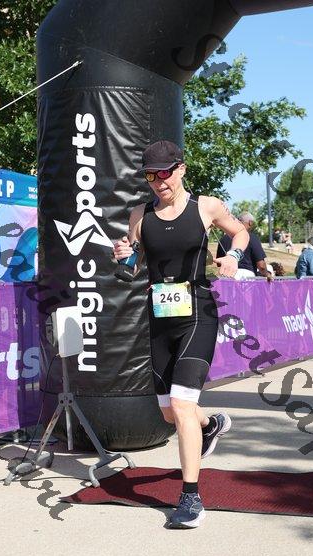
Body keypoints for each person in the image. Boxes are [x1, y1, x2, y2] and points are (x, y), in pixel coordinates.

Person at [113, 140, 249, 529]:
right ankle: (211, 425)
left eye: (165, 173)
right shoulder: (139, 214)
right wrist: (122, 257)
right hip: (160, 319)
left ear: (181, 169)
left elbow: (239, 232)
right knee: (169, 412)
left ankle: (190, 498)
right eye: (150, 176)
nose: (159, 182)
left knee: (182, 402)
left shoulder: (206, 207)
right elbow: (132, 267)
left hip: (198, 316)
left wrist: (233, 257)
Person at [216, 212, 273, 280]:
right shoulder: (252, 237)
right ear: (250, 223)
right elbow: (261, 266)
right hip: (246, 278)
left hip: (226, 277)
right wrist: (267, 274)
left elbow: (219, 263)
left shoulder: (223, 239)